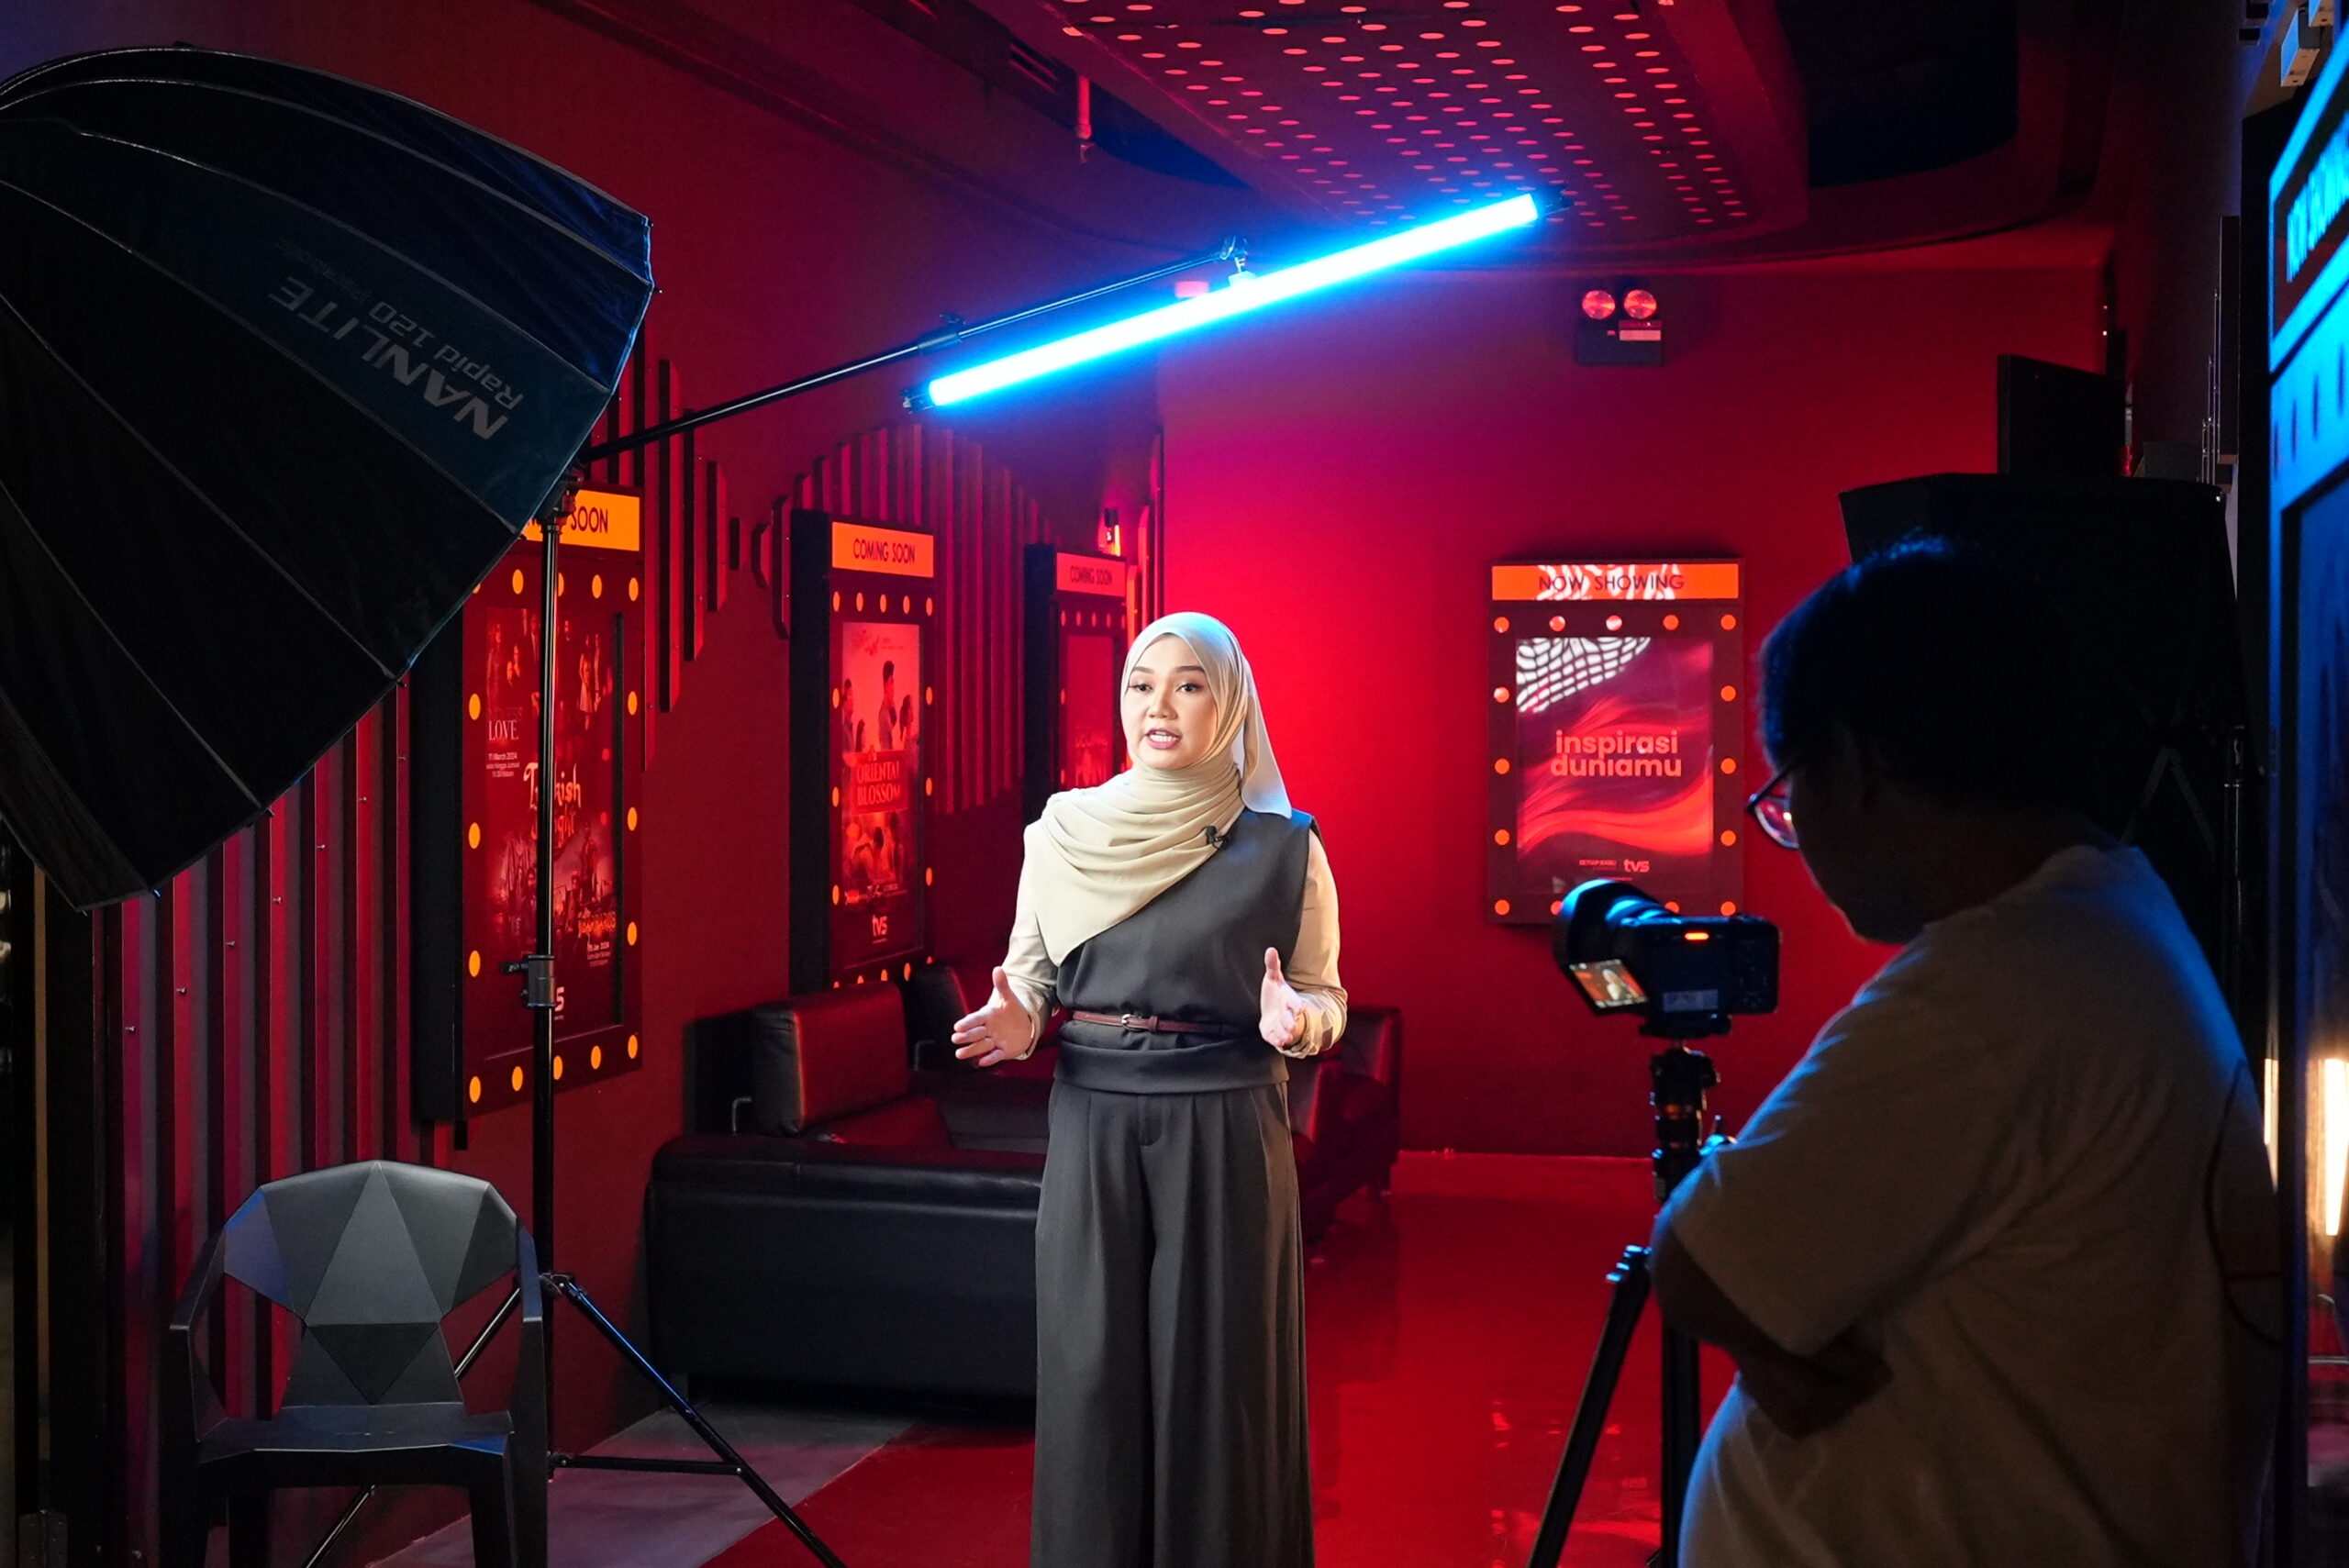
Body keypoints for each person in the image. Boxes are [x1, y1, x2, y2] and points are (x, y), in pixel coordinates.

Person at [1650, 541, 2279, 1567]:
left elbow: (1700, 1265)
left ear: (1855, 766)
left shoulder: (1993, 990)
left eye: (1789, 797)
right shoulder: (2114, 914)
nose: (1800, 838)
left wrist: (1766, 1331)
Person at [952, 610, 1345, 1568]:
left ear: (1229, 703)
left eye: (1188, 684)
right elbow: (1030, 980)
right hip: (1092, 1120)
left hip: (1225, 1122)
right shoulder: (1061, 831)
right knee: (1089, 1372)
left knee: (1216, 1379)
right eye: (1140, 684)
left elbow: (1326, 995)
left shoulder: (1285, 846)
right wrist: (1017, 1020)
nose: (1158, 705)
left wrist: (1297, 1021)